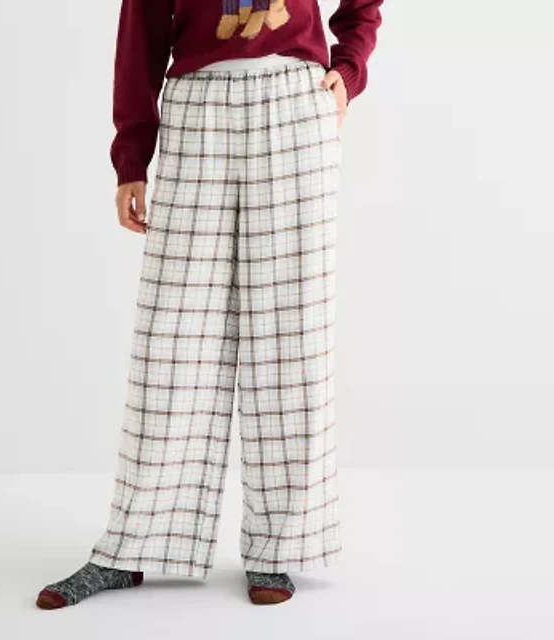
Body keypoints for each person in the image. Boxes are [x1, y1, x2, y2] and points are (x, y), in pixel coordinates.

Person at [36, 0, 383, 609]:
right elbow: (140, 32)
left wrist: (348, 69)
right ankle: (131, 547)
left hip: (295, 99)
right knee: (172, 342)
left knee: (291, 334)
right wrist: (131, 156)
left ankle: (277, 547)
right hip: (196, 103)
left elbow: (363, 8)